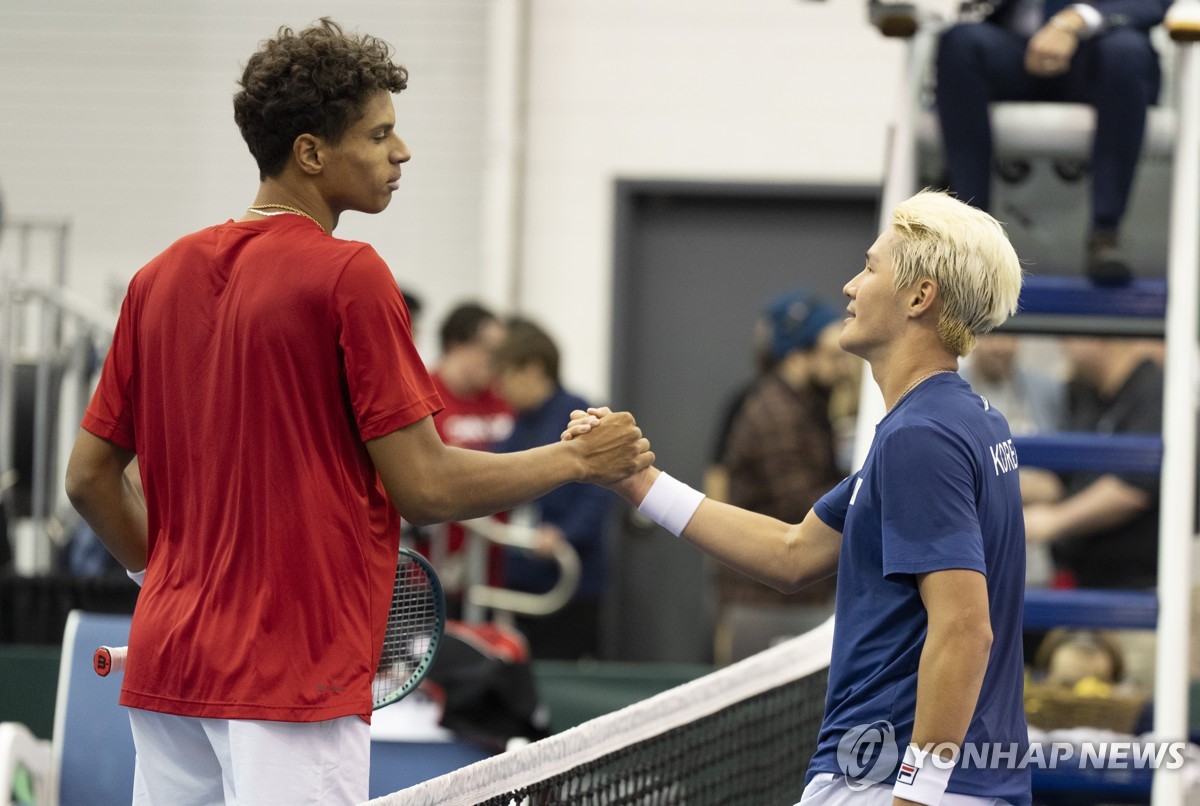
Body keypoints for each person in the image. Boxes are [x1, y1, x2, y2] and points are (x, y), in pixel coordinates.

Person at [62, 18, 652, 806]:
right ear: (311, 153)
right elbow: (427, 487)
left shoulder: (156, 278)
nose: (400, 153)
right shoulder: (350, 276)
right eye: (379, 136)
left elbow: (89, 478)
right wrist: (579, 461)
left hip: (170, 660)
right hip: (289, 671)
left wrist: (164, 573)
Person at [568, 189, 1030, 804]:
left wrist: (916, 795)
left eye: (869, 267)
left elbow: (966, 630)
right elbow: (792, 551)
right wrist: (638, 484)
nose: (849, 286)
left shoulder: (922, 436)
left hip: (891, 781)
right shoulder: (960, 420)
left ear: (920, 297)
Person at [935, 0, 1171, 285]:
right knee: (961, 42)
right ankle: (970, 238)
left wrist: (1073, 21)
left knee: (1126, 50)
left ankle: (1105, 234)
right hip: (1015, 50)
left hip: (1100, 54)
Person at [713, 287, 846, 665]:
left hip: (788, 596)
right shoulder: (778, 416)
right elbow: (803, 504)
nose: (843, 369)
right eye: (833, 357)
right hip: (767, 602)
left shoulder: (805, 409)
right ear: (797, 357)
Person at [492, 317, 615, 660]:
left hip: (571, 582)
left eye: (505, 375)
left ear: (533, 369)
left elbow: (600, 492)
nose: (500, 388)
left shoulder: (579, 416)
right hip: (524, 580)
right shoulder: (519, 425)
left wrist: (563, 534)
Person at [1021, 336, 1162, 589]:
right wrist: (993, 485)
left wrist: (1054, 521)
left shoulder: (1153, 391)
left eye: (1072, 335)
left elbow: (1135, 488)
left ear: (1099, 339)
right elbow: (1061, 480)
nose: (1063, 344)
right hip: (1087, 583)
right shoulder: (1087, 394)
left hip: (1138, 591)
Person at [425, 302, 515, 601]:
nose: (497, 362)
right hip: (435, 574)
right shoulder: (422, 397)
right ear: (456, 345)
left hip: (495, 569)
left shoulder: (505, 399)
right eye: (490, 350)